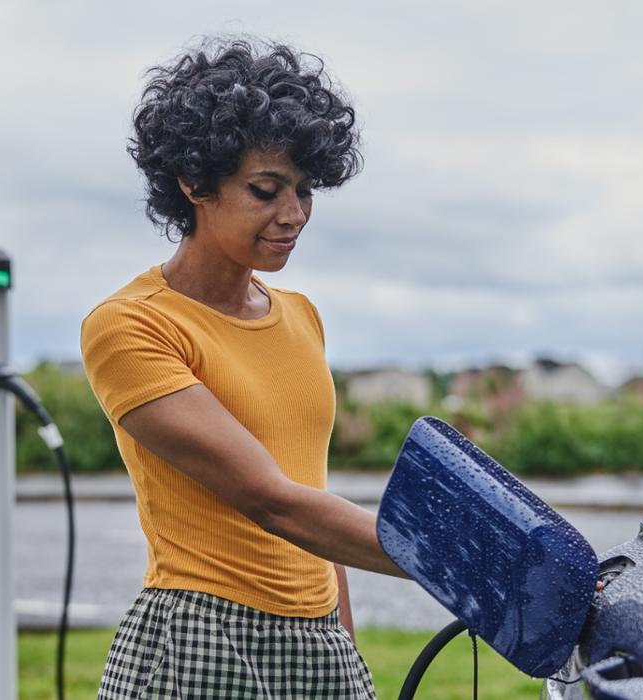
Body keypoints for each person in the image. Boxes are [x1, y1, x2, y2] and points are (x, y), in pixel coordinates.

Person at [80, 38, 404, 699]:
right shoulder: (132, 326)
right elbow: (271, 501)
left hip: (318, 640)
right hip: (201, 641)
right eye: (266, 190)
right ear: (195, 184)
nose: (293, 216)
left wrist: (342, 643)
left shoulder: (302, 316)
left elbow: (309, 493)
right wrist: (460, 562)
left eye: (305, 190)